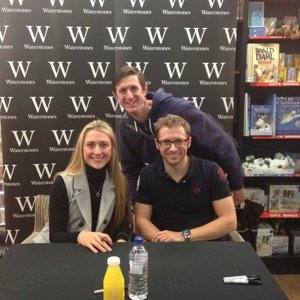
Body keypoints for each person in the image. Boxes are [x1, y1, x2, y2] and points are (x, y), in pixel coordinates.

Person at [112, 65, 245, 207]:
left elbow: (222, 144)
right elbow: (130, 169)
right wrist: (133, 204)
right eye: (123, 91)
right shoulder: (126, 126)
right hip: (169, 187)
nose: (130, 96)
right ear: (115, 96)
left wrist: (237, 184)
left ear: (144, 89)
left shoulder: (179, 109)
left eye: (134, 88)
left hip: (204, 184)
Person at [135, 114, 237, 242]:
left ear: (188, 142)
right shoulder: (147, 174)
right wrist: (164, 240)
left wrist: (182, 236)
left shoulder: (211, 171)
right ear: (157, 144)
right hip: (165, 248)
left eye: (179, 141)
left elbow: (230, 221)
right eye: (166, 142)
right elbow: (141, 221)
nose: (172, 148)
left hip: (206, 246)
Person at [48, 119, 132, 253]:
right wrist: (80, 236)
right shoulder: (62, 182)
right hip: (67, 252)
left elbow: (121, 225)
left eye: (104, 145)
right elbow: (55, 236)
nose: (97, 151)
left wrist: (121, 241)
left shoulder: (121, 182)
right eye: (90, 145)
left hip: (102, 252)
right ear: (81, 149)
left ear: (113, 149)